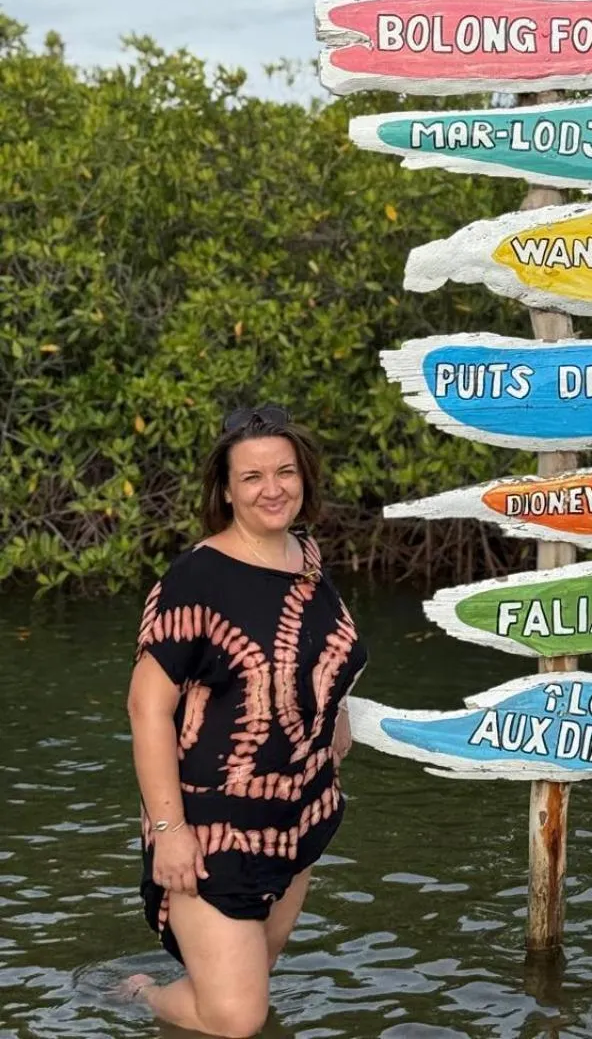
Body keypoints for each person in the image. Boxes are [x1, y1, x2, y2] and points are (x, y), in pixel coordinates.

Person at [121, 405, 368, 1037]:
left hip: (298, 809)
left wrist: (333, 708)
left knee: (253, 971)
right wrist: (169, 830)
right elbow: (147, 707)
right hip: (211, 822)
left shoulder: (307, 560)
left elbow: (318, 652)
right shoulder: (194, 580)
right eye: (252, 477)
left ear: (304, 478)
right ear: (226, 490)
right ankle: (142, 996)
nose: (272, 488)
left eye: (285, 472)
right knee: (235, 1017)